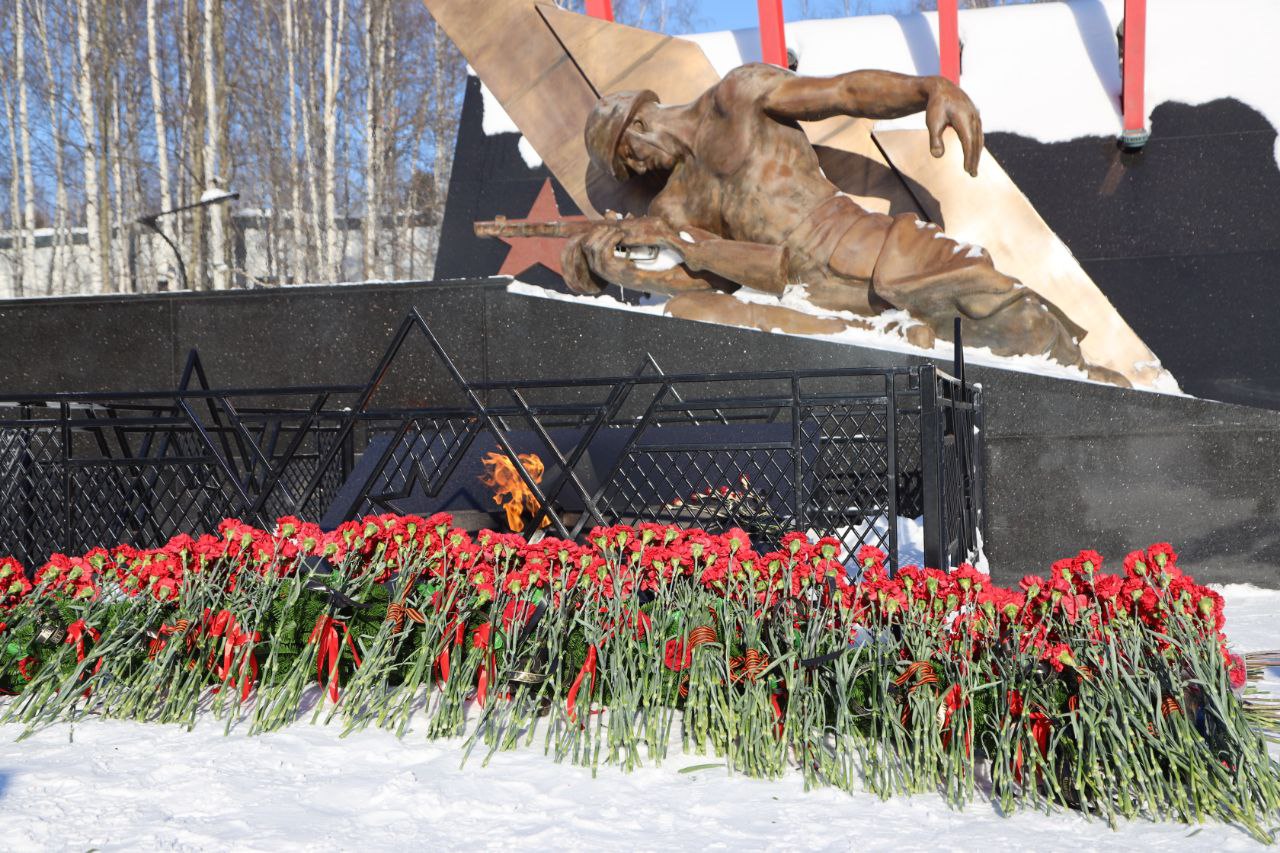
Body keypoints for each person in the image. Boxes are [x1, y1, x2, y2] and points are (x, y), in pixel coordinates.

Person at [562, 63, 1125, 385]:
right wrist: (611, 264)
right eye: (629, 171)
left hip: (868, 244)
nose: (640, 172)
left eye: (630, 160)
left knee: (1022, 324)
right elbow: (704, 282)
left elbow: (842, 93)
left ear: (637, 127)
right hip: (811, 293)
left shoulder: (737, 96)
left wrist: (928, 89)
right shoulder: (675, 207)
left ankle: (1101, 386)